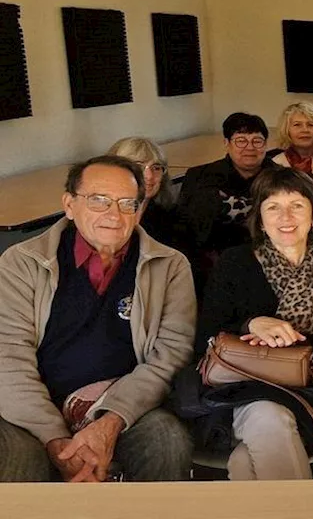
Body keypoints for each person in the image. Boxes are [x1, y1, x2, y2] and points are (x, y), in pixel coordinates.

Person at [0, 156, 194, 482]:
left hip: (123, 403)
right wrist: (56, 440)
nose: (113, 215)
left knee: (168, 441)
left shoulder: (170, 265)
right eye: (99, 200)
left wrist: (111, 421)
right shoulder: (21, 263)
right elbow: (8, 356)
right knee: (20, 463)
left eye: (126, 203)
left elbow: (171, 355)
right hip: (34, 406)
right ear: (69, 204)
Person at [193, 168, 313, 480]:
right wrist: (251, 325)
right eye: (273, 207)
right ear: (259, 218)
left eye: (296, 205)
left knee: (245, 464)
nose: (286, 216)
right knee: (267, 416)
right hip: (248, 388)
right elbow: (205, 337)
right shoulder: (234, 263)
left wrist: (291, 347)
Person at [179, 112, 281, 291]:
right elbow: (187, 228)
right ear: (226, 143)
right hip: (211, 267)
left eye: (257, 141)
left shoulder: (281, 178)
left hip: (270, 265)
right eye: (241, 140)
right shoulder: (199, 177)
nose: (250, 147)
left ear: (266, 145)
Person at [107, 137, 180, 249]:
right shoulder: (98, 214)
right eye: (138, 167)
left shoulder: (171, 220)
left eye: (156, 167)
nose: (149, 176)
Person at [271, 102, 313, 173]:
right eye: (297, 125)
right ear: (286, 130)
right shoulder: (275, 164)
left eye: (311, 125)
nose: (305, 130)